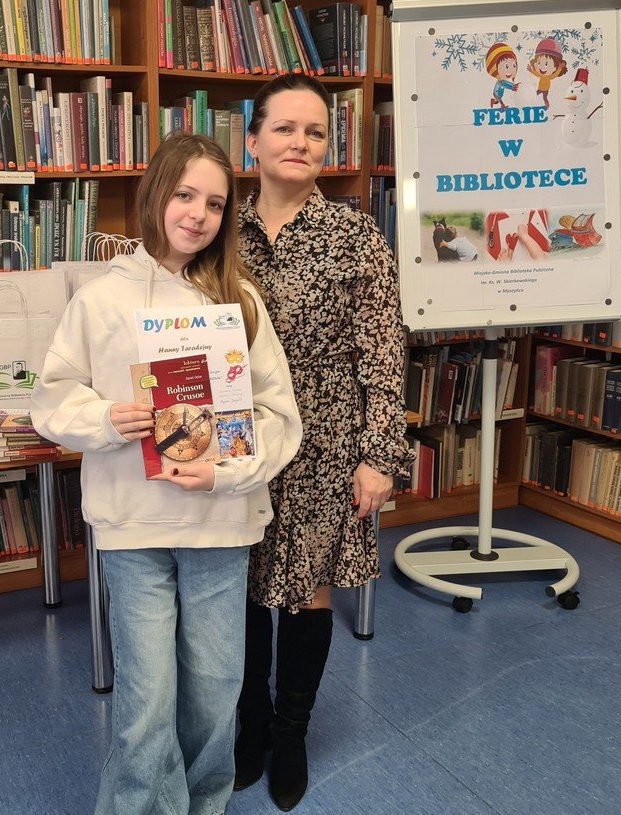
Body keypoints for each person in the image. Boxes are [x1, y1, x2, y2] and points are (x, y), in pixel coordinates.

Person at [31, 133, 303, 815]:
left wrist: (227, 470)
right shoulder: (100, 299)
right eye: (185, 194)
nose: (198, 214)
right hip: (134, 524)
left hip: (220, 522)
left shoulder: (239, 300)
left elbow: (279, 416)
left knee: (214, 687)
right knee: (147, 695)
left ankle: (204, 803)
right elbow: (51, 400)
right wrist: (106, 418)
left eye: (214, 203)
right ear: (155, 194)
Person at [234, 74, 413, 811]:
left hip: (326, 439)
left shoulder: (355, 234)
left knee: (308, 589)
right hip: (239, 436)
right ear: (253, 140)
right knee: (243, 582)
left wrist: (379, 455)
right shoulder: (220, 231)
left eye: (315, 132)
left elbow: (383, 352)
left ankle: (290, 731)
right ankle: (249, 722)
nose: (300, 142)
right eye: (285, 128)